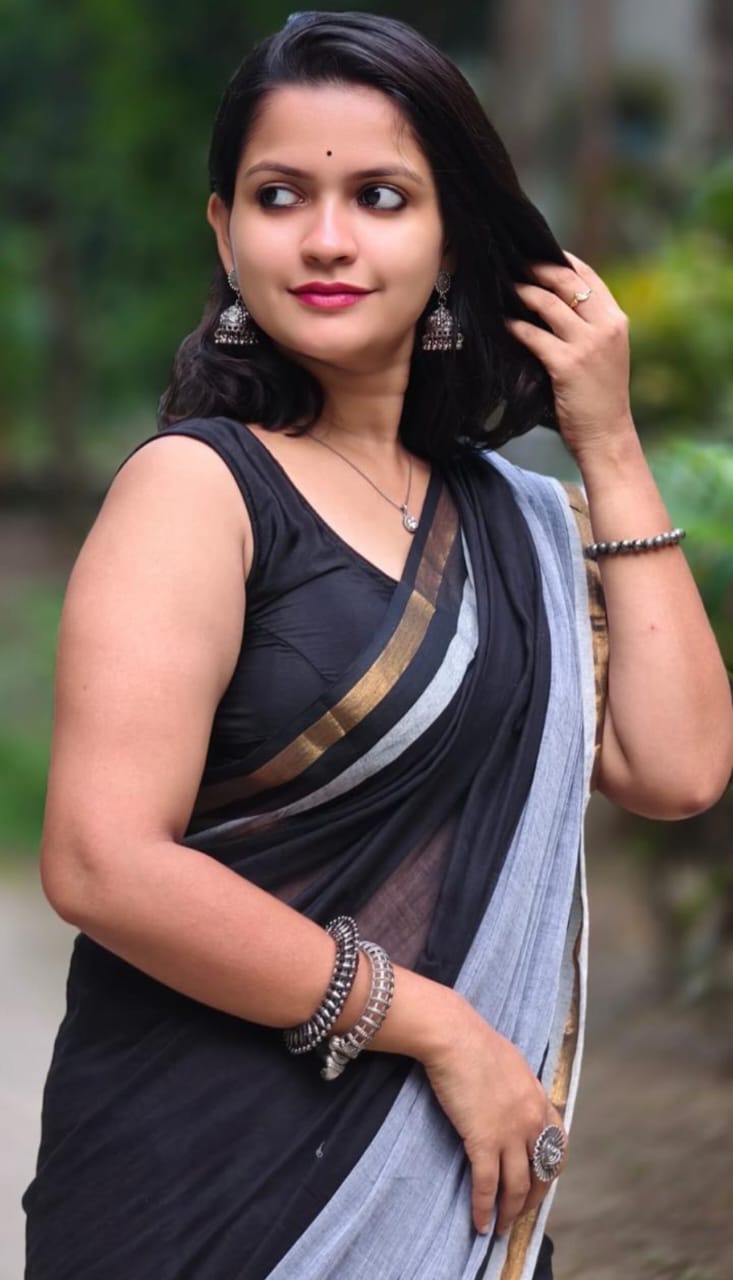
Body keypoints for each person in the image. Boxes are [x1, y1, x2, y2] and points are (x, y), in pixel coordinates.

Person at [23, 12, 732, 1280]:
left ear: (451, 233)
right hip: (202, 1180)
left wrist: (611, 445)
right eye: (279, 195)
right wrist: (438, 1026)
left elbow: (675, 769)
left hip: (450, 1188)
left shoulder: (522, 522)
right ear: (223, 231)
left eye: (381, 196)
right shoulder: (199, 490)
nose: (326, 238)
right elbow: (101, 860)